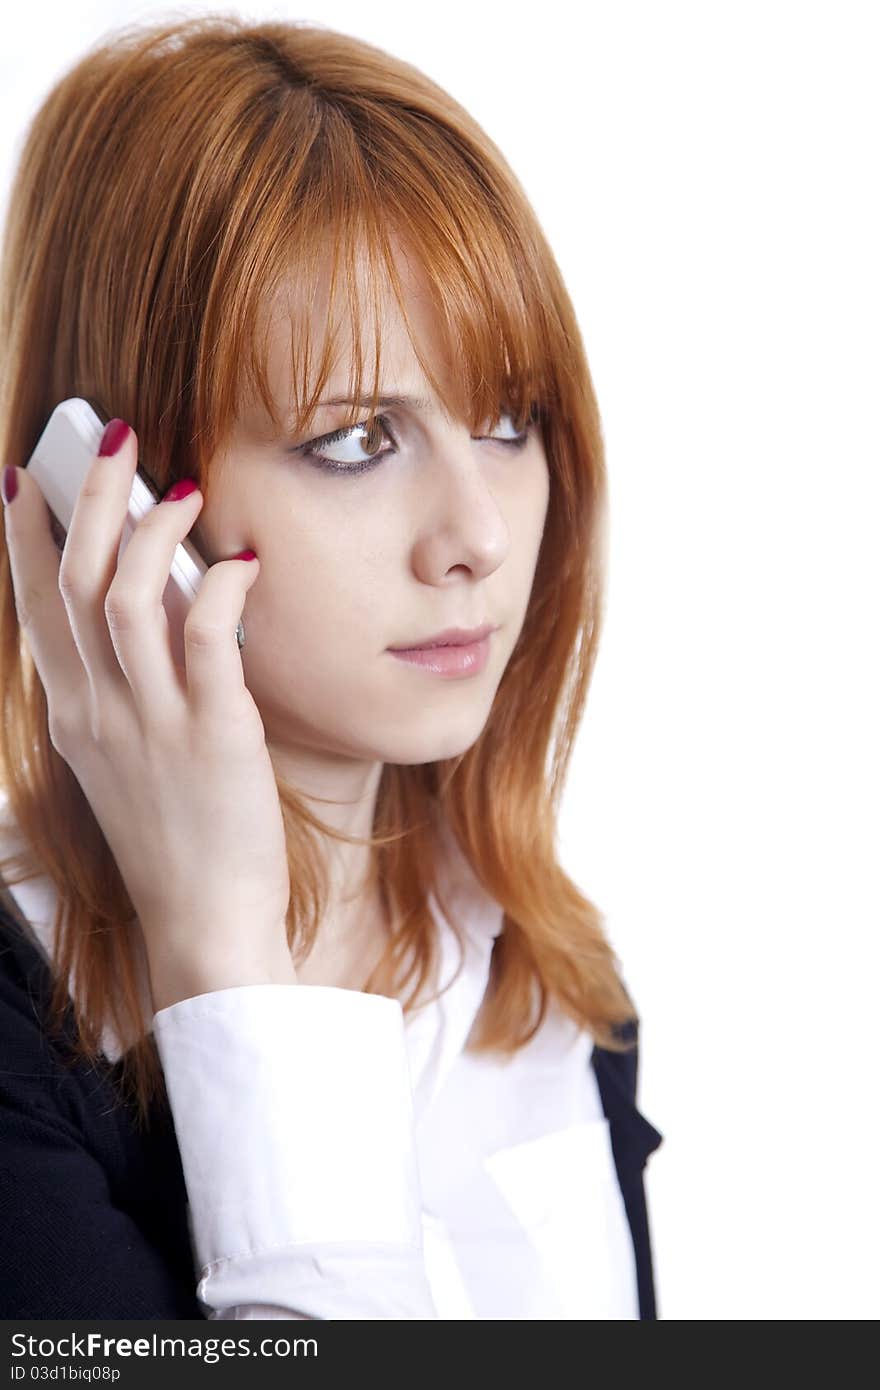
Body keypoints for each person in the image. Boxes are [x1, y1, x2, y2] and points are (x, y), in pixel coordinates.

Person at [0, 15, 663, 1319]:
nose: (478, 535)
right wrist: (227, 952)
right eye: (358, 439)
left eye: (509, 418)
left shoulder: (543, 972)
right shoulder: (22, 1045)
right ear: (119, 506)